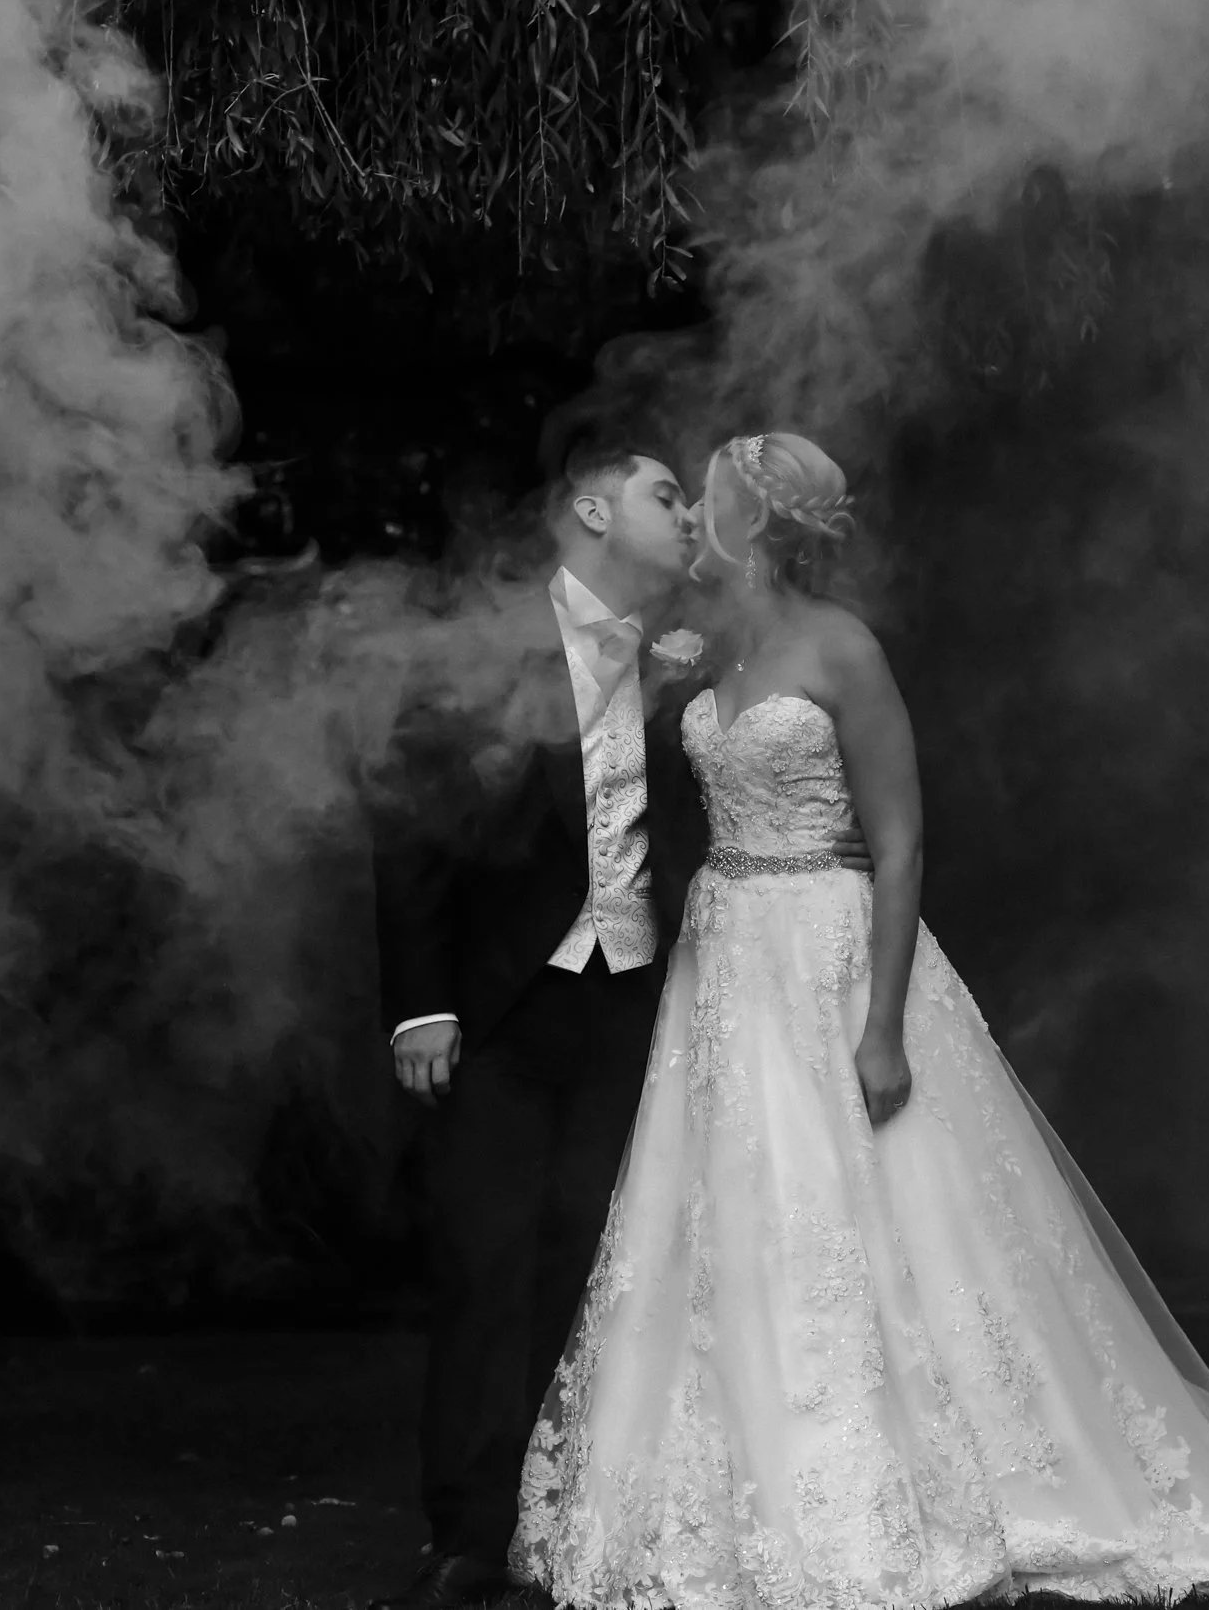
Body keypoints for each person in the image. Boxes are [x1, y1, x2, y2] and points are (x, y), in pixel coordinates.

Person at [509, 432, 1209, 1610]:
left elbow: (901, 846)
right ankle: (730, 1479)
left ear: (753, 523)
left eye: (706, 498)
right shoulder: (702, 648)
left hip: (828, 949)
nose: (690, 515)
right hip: (724, 963)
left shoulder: (842, 648)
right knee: (731, 1205)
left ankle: (907, 1473)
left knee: (867, 1209)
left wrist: (882, 1026)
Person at [363, 442, 870, 1610]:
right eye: (662, 495)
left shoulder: (690, 651)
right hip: (499, 1009)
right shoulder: (479, 650)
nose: (687, 515)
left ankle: (568, 1518)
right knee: (484, 1262)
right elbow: (409, 821)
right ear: (591, 510)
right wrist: (422, 1004)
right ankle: (469, 1537)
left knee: (602, 1264)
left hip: (643, 1006)